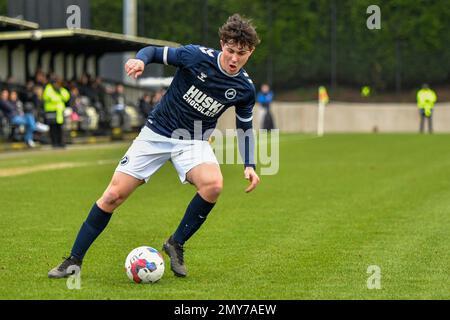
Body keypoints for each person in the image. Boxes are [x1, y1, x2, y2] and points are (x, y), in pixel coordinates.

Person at [48, 13, 261, 279]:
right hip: (156, 133)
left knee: (213, 185)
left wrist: (250, 164)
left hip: (194, 140)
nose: (233, 58)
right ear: (221, 44)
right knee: (113, 196)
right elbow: (153, 51)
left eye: (241, 53)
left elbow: (245, 128)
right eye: (230, 50)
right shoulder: (195, 56)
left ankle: (175, 243)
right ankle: (73, 261)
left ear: (250, 52)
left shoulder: (244, 88)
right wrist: (140, 60)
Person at [43, 77, 70, 147]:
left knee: (60, 128)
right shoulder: (48, 88)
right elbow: (48, 97)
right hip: (51, 111)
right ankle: (54, 143)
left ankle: (61, 142)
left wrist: (59, 92)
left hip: (60, 112)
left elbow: (66, 97)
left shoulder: (60, 89)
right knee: (53, 128)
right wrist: (58, 97)